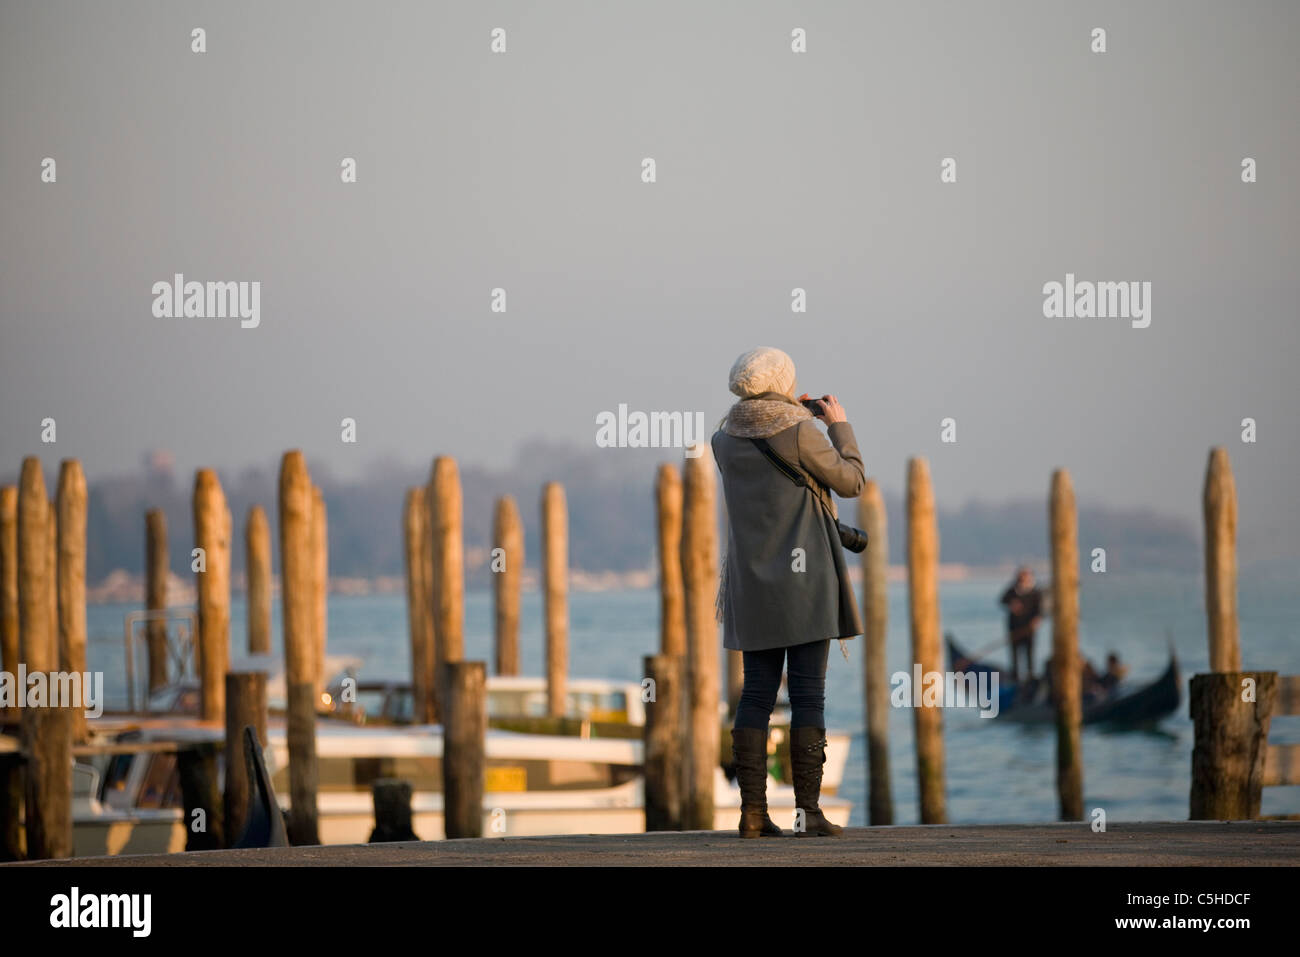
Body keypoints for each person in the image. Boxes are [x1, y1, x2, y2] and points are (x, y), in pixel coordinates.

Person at [711, 347, 865, 838]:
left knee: (755, 695)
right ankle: (809, 815)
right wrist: (836, 423)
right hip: (804, 583)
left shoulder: (722, 439)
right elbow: (851, 482)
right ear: (782, 381)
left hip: (750, 585)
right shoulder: (801, 431)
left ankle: (752, 816)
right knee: (807, 695)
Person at [1000, 566, 1043, 684]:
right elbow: (1002, 600)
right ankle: (1015, 678)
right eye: (1022, 576)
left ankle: (1030, 677)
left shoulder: (1035, 592)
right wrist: (1011, 604)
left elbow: (1040, 610)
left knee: (1029, 653)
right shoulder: (1012, 590)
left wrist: (1037, 620)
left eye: (1026, 576)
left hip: (1029, 630)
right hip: (1014, 628)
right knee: (1014, 655)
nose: (1024, 579)